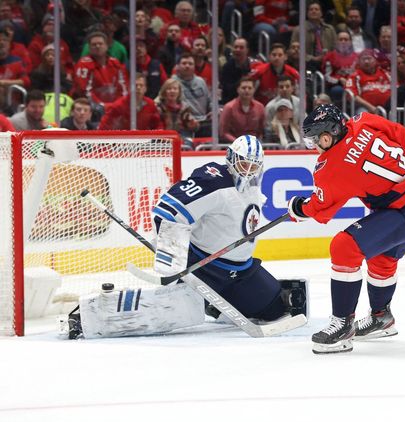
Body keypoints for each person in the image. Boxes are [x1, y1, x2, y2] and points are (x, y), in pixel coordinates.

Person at [70, 135, 307, 339]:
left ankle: (215, 305)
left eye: (253, 166)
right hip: (206, 268)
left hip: (242, 272)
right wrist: (173, 259)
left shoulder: (255, 184)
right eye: (243, 164)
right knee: (171, 312)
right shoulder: (212, 180)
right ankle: (92, 315)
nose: (248, 171)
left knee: (274, 309)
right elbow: (167, 211)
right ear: (231, 158)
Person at [287, 104, 405, 354]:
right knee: (382, 256)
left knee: (344, 247)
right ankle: (381, 318)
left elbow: (321, 209)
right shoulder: (364, 120)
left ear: (327, 137)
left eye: (315, 140)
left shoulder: (331, 167)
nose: (314, 146)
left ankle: (342, 326)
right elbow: (403, 136)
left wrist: (298, 209)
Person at [98, 73, 163, 130]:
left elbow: (157, 125)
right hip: (122, 140)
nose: (138, 88)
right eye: (135, 85)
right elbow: (103, 127)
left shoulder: (151, 104)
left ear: (145, 88)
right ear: (129, 88)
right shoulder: (118, 106)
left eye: (141, 85)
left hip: (143, 141)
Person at [346, 48, 391, 114]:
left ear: (375, 61)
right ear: (359, 62)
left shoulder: (386, 74)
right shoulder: (355, 76)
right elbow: (352, 95)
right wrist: (371, 108)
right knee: (363, 114)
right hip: (366, 108)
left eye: (369, 58)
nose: (366, 61)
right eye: (363, 59)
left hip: (388, 107)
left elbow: (397, 90)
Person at [219, 77, 265, 143]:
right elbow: (224, 132)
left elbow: (261, 130)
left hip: (254, 145)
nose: (247, 90)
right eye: (243, 88)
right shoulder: (229, 107)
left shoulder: (260, 107)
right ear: (238, 89)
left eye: (250, 88)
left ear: (254, 90)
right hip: (234, 145)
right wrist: (239, 143)